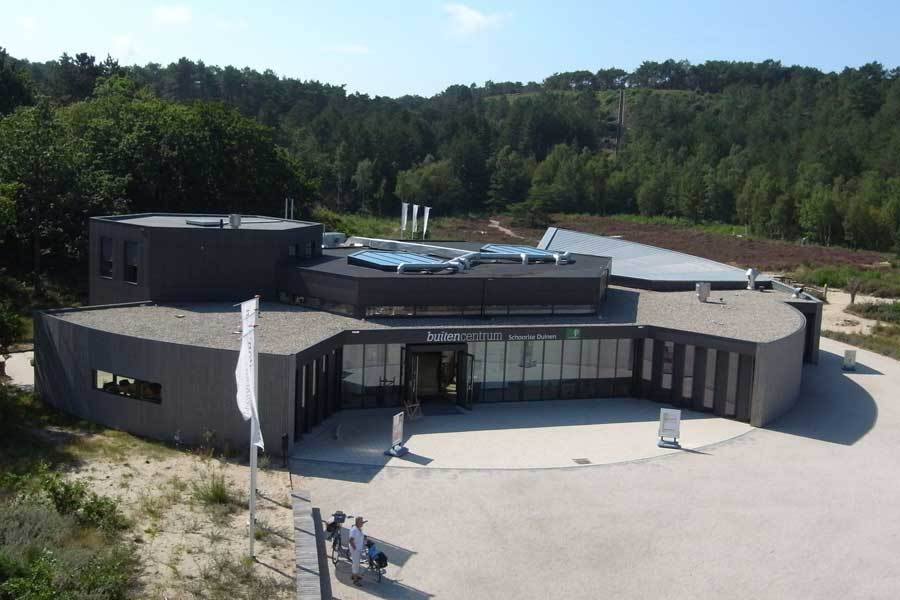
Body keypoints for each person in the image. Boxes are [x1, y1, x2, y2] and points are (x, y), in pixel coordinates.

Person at [348, 516, 366, 586]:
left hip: (357, 549)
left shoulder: (358, 528)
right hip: (355, 550)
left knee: (356, 563)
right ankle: (355, 581)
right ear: (358, 522)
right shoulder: (354, 530)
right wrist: (355, 549)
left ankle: (354, 575)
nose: (363, 523)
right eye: (362, 522)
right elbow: (351, 540)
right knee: (356, 564)